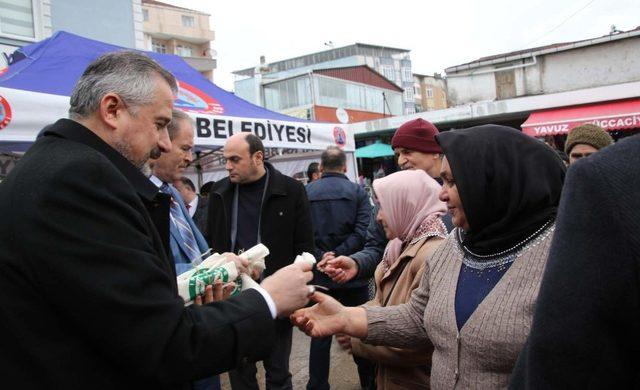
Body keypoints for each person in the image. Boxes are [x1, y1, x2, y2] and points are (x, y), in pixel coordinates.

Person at [0, 51, 314, 389]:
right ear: (112, 109)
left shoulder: (57, 164)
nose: (163, 144)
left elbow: (109, 304)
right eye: (161, 124)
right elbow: (159, 342)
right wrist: (268, 299)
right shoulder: (81, 179)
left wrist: (200, 277)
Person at [291, 125, 566, 389]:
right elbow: (418, 317)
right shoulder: (454, 246)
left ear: (496, 183)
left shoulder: (560, 262)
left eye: (453, 182)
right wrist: (346, 318)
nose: (441, 194)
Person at [509, 134, 640, 388]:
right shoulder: (451, 246)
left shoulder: (605, 181)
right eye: (575, 156)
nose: (579, 163)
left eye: (588, 156)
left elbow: (567, 349)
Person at [206, 132, 315, 390]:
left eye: (234, 159)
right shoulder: (219, 193)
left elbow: (305, 246)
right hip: (232, 300)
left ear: (258, 157)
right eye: (226, 160)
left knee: (278, 374)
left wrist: (300, 294)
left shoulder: (291, 190)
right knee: (240, 376)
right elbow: (210, 243)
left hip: (276, 297)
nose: (228, 166)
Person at [339, 169, 447, 389]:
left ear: (405, 205)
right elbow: (382, 301)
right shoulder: (398, 245)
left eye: (383, 208)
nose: (378, 217)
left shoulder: (433, 253)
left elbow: (419, 340)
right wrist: (347, 319)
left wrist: (356, 335)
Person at [320, 118, 453, 286]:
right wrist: (356, 263)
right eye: (398, 154)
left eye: (407, 152)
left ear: (434, 151)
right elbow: (376, 248)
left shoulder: (458, 192)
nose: (400, 161)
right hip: (399, 295)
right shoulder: (391, 195)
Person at [305, 146, 372, 390]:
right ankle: (369, 382)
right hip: (352, 273)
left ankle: (317, 385)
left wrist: (324, 257)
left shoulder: (306, 191)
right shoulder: (358, 192)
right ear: (345, 167)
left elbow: (303, 235)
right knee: (361, 331)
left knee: (319, 333)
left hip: (321, 275)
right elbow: (363, 232)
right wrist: (341, 256)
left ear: (321, 168)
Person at [150, 109, 209, 276]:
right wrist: (210, 271)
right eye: (185, 148)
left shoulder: (173, 194)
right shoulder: (137, 195)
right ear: (162, 142)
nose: (190, 158)